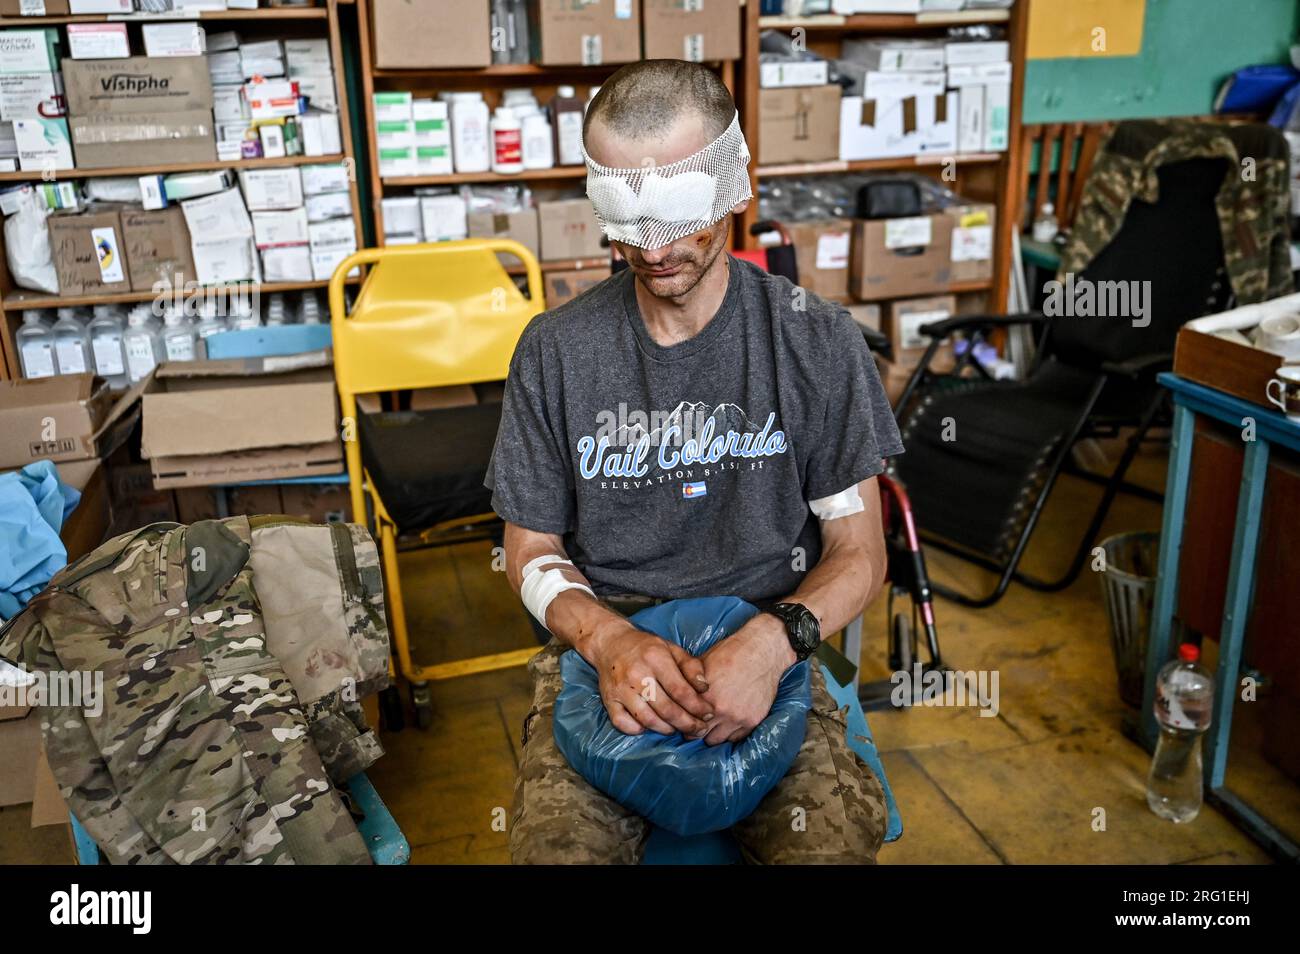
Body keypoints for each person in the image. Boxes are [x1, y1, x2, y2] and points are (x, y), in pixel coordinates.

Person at [485, 59, 904, 864]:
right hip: (608, 648)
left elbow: (860, 551)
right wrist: (608, 643)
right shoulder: (555, 352)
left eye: (678, 215)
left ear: (732, 187)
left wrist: (773, 641)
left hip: (770, 641)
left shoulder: (816, 340)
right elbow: (530, 549)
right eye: (625, 217)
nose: (653, 247)